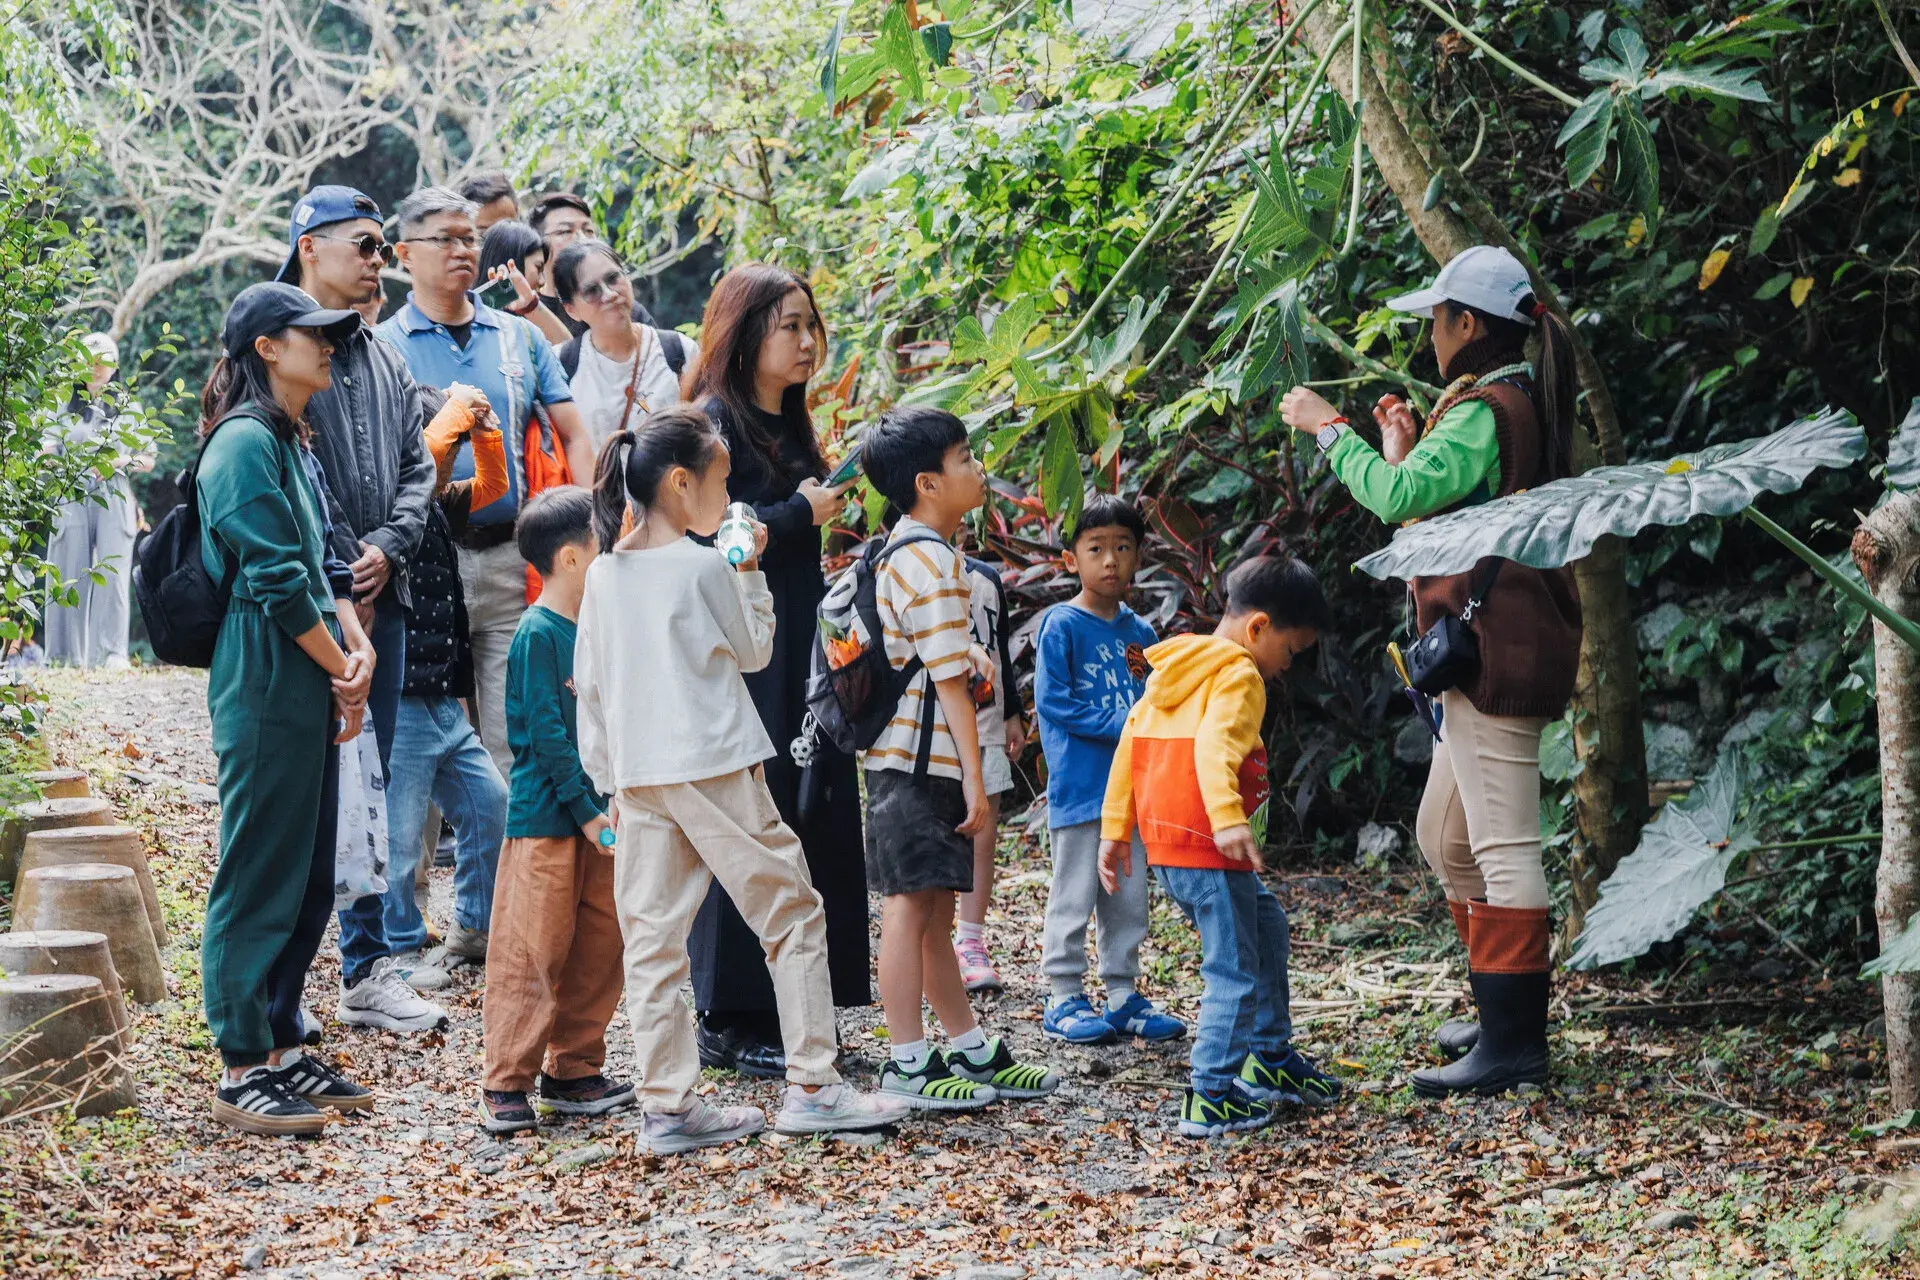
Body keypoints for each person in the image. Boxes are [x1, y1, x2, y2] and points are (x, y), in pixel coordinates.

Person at [1278, 244, 1582, 1098]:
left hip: (1496, 652)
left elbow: (1397, 500)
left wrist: (1330, 429)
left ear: (1468, 326)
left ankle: (1516, 1045)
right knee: (1446, 838)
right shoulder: (1500, 403)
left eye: (1438, 320)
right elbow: (1427, 491)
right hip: (1485, 651)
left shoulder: (1491, 406)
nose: (1431, 335)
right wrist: (1398, 440)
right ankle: (1498, 1008)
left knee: (1502, 845)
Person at [576, 407, 909, 1152]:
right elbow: (756, 650)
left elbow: (589, 686)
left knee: (655, 941)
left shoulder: (602, 573)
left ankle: (667, 1106)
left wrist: (608, 782)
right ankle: (815, 1085)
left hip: (638, 774)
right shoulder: (703, 565)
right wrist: (749, 569)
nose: (729, 502)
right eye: (722, 484)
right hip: (714, 765)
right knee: (791, 912)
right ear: (680, 483)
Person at [196, 282, 377, 1134]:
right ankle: (240, 1063)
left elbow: (324, 563)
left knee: (308, 871)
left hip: (306, 658)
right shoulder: (240, 446)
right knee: (260, 866)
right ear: (267, 347)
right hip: (266, 664)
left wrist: (354, 650)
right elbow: (272, 581)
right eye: (315, 334)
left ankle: (281, 1042)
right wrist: (341, 663)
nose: (331, 345)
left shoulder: (290, 441)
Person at [680, 265, 859, 1079]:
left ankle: (800, 1001)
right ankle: (726, 1011)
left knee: (807, 806)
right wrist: (801, 515)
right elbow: (708, 537)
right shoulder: (714, 422)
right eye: (789, 326)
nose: (806, 341)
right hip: (744, 647)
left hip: (800, 635)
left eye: (810, 325)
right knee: (748, 812)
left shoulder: (790, 418)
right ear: (746, 332)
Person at [279, 184, 451, 1027]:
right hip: (312, 613)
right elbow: (298, 477)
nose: (379, 261)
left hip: (388, 598)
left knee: (367, 784)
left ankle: (367, 968)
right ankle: (278, 992)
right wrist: (353, 564)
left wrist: (392, 548)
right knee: (303, 794)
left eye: (384, 247)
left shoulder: (384, 354)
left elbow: (419, 467)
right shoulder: (275, 346)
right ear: (310, 246)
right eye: (366, 245)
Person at [1097, 555, 1344, 1139]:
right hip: (1211, 844)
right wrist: (1229, 819)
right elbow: (1213, 748)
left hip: (1172, 847)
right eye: (1291, 650)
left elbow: (1131, 747)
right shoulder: (1238, 675)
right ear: (1259, 627)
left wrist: (1115, 831)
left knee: (1268, 929)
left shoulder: (1176, 671)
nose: (1288, 665)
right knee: (1231, 969)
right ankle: (1209, 1094)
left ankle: (1269, 1057)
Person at [860, 405, 1060, 1111]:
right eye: (965, 460)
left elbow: (947, 661)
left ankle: (967, 1047)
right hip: (918, 768)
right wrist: (976, 780)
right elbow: (949, 679)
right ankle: (907, 1060)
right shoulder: (928, 560)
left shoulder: (914, 553)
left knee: (933, 911)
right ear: (926, 482)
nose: (978, 470)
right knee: (910, 911)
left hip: (912, 764)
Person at [377, 186, 595, 780]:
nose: (461, 250)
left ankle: (515, 875)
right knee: (410, 745)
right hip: (420, 568)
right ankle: (408, 877)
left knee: (515, 736)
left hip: (510, 560)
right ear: (403, 254)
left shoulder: (518, 336)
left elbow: (573, 431)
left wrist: (587, 519)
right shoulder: (383, 348)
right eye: (443, 238)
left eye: (469, 238)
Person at [478, 486, 633, 1133]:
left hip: (599, 818)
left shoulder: (595, 628)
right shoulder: (537, 634)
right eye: (601, 542)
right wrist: (586, 809)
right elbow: (546, 736)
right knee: (532, 949)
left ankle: (573, 1069)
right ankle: (505, 1081)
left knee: (602, 942)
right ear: (572, 558)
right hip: (549, 822)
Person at [1033, 496, 1185, 1045]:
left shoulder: (1141, 635)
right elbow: (1054, 703)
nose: (1111, 561)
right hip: (1080, 791)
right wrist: (1123, 722)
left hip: (1132, 794)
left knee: (1126, 897)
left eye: (1123, 547)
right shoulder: (1061, 627)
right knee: (1074, 892)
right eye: (1096, 548)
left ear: (1139, 555)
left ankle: (1122, 994)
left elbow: (1155, 695)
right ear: (1072, 558)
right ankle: (1063, 994)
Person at [378, 385, 511, 986]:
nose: (447, 459)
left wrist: (484, 432)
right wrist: (444, 426)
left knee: (491, 806)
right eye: (442, 444)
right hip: (401, 695)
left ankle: (473, 930)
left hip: (441, 697)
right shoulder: (387, 505)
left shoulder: (439, 503)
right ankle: (397, 951)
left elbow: (492, 489)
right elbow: (416, 473)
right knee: (400, 841)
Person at [45, 332, 151, 668]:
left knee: (113, 573)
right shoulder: (63, 401)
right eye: (88, 361)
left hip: (115, 493)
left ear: (114, 365)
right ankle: (62, 657)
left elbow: (148, 458)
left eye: (102, 361)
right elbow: (44, 446)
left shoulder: (127, 405)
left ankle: (111, 654)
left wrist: (116, 462)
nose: (94, 368)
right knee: (65, 570)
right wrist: (52, 458)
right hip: (70, 491)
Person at [950, 548, 1026, 993]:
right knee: (939, 829)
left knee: (984, 835)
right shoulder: (900, 564)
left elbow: (1001, 648)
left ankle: (971, 941)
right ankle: (931, 943)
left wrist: (1012, 711)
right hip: (933, 727)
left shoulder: (986, 578)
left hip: (987, 722)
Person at [550, 242, 695, 449]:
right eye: (592, 290)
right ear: (572, 309)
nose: (609, 295)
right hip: (595, 482)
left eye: (613, 279)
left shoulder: (678, 350)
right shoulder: (560, 365)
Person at [527, 192, 657, 336]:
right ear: (539, 245)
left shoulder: (619, 305)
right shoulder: (527, 313)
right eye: (565, 231)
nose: (582, 239)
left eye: (588, 230)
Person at [479, 220, 571, 346]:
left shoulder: (534, 315)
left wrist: (530, 306)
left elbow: (570, 356)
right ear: (511, 263)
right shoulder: (468, 314)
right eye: (538, 268)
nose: (542, 281)